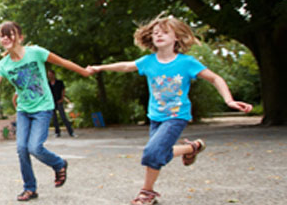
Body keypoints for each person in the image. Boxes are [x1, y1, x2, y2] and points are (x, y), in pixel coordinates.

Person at [86, 14, 252, 205]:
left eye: (165, 32)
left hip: (176, 116)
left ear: (176, 38)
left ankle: (146, 193)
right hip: (156, 117)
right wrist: (100, 68)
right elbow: (125, 66)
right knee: (160, 152)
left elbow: (215, 78)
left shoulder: (186, 62)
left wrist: (229, 100)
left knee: (152, 152)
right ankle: (192, 147)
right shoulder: (148, 61)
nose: (159, 35)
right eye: (156, 32)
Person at [0, 21, 91, 202]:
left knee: (34, 147)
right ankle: (30, 188)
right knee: (22, 149)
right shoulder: (4, 65)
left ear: (21, 37)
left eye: (10, 34)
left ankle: (59, 164)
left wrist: (84, 72)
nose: (6, 38)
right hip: (24, 111)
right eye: (2, 35)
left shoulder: (35, 52)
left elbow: (62, 62)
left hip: (43, 108)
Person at [47, 70, 75, 137]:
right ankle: (57, 133)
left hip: (59, 101)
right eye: (48, 75)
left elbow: (63, 90)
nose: (49, 76)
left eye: (50, 74)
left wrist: (62, 99)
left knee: (63, 117)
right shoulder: (48, 84)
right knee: (54, 118)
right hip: (52, 102)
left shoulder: (59, 82)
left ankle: (71, 132)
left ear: (53, 74)